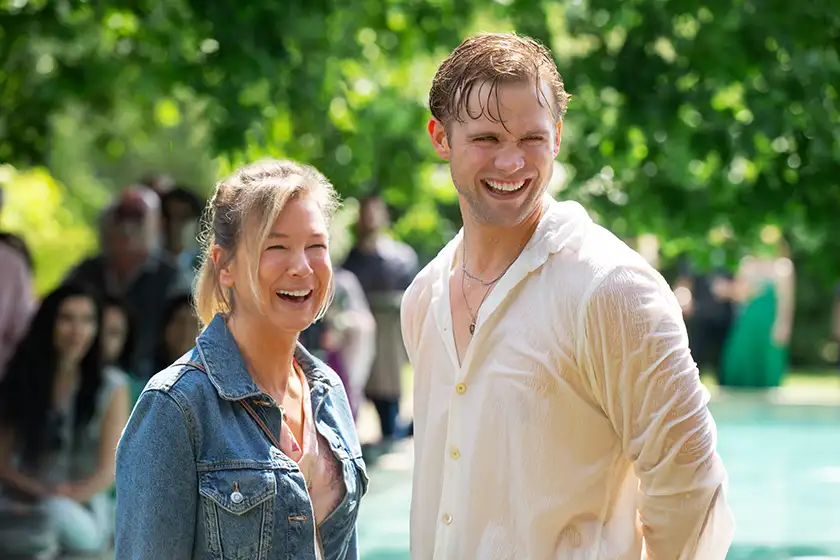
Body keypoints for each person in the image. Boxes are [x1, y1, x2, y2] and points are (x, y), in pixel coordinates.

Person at [401, 32, 735, 558]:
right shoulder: (424, 297)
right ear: (441, 138)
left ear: (556, 136)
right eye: (487, 139)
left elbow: (691, 491)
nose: (511, 163)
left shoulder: (610, 289)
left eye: (531, 139)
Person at [115, 159, 369, 559]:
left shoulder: (328, 391)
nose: (302, 267)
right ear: (225, 266)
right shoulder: (175, 407)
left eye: (316, 246)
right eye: (276, 246)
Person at [0, 282, 129, 558]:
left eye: (87, 320)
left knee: (52, 516)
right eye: (67, 319)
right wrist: (36, 492)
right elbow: (3, 460)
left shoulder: (112, 386)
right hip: (23, 498)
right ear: (49, 323)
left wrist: (58, 497)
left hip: (79, 509)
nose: (77, 331)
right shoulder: (22, 380)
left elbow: (109, 471)